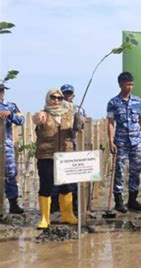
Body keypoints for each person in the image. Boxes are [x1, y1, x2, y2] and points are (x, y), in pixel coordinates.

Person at [33, 89, 81, 229]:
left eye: (59, 98)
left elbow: (76, 129)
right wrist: (39, 118)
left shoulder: (68, 114)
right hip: (46, 155)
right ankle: (44, 218)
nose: (56, 100)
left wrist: (78, 122)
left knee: (66, 185)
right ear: (48, 98)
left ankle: (67, 215)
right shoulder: (43, 113)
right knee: (46, 185)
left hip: (65, 155)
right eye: (53, 97)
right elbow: (36, 119)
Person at [107, 72, 141, 213]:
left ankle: (133, 200)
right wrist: (111, 141)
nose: (130, 87)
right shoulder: (113, 102)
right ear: (120, 84)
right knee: (119, 170)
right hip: (121, 141)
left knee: (136, 169)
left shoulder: (138, 101)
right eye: (127, 84)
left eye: (132, 84)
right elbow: (111, 123)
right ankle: (118, 201)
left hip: (136, 141)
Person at [0, 82, 25, 214]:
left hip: (6, 146)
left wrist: (9, 114)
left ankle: (13, 204)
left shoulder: (11, 106)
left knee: (10, 174)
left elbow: (21, 120)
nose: (0, 94)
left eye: (1, 91)